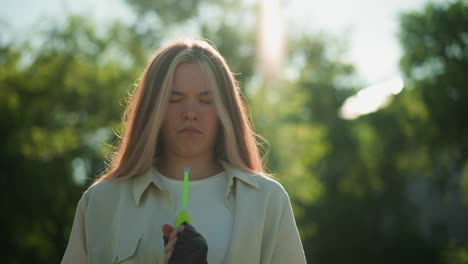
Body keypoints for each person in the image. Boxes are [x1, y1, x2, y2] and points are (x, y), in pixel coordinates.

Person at [61, 38, 307, 263]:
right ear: (152, 108)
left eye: (206, 100)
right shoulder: (102, 201)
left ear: (225, 110)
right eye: (174, 98)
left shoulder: (267, 200)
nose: (190, 112)